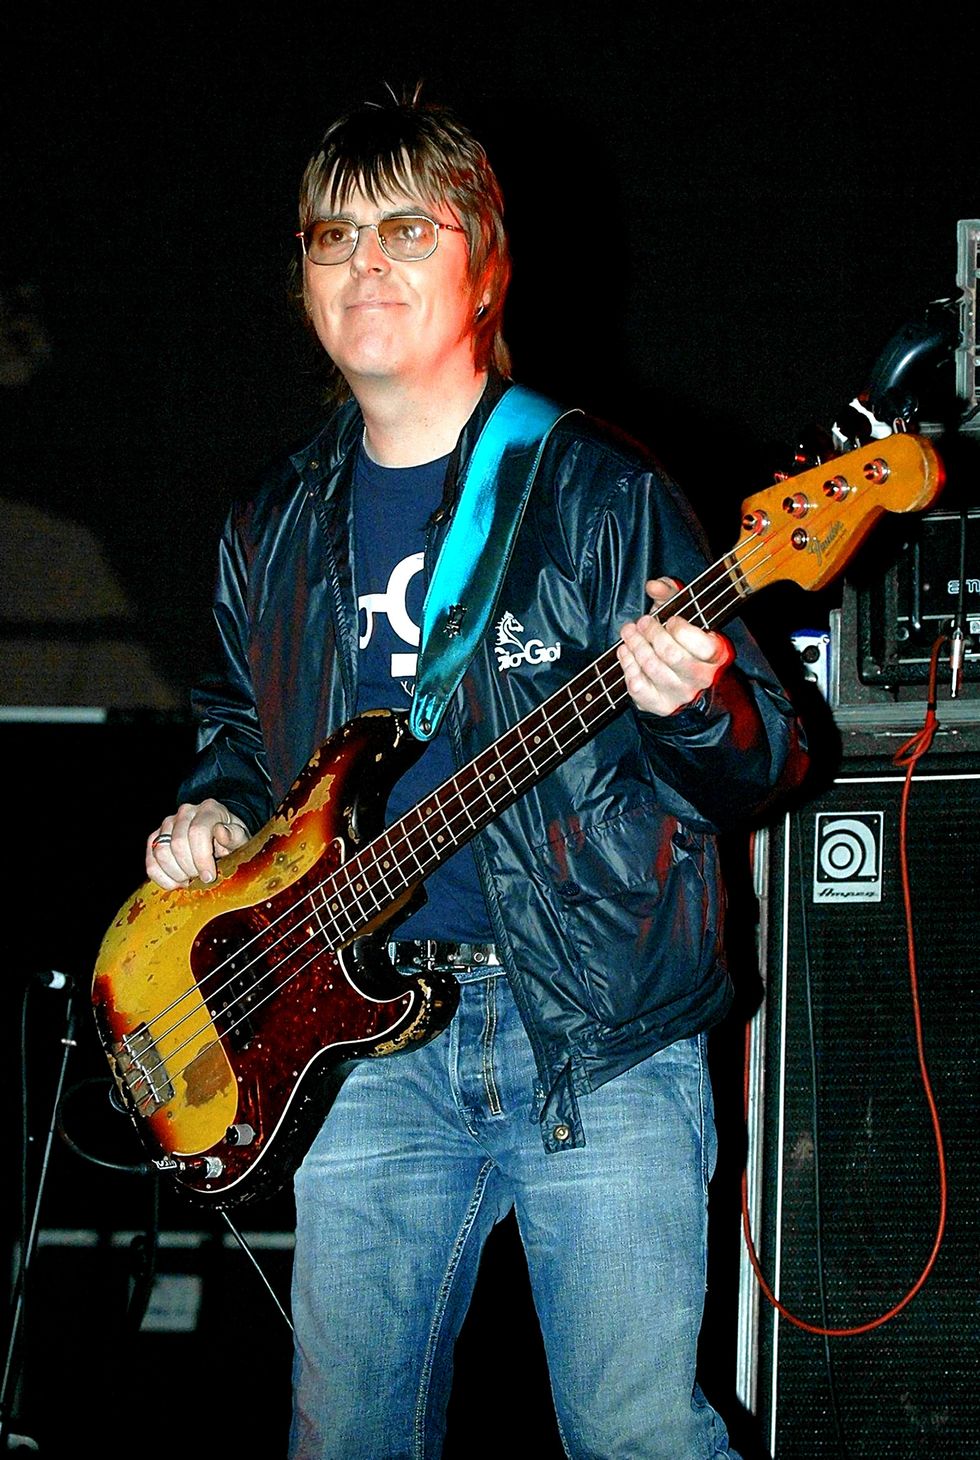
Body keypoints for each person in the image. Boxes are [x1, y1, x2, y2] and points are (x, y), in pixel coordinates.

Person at [144, 89, 807, 1460]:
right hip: (362, 1045)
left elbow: (770, 758)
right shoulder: (270, 522)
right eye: (333, 238)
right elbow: (237, 726)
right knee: (347, 1441)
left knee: (636, 1434)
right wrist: (210, 800)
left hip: (597, 1032)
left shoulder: (596, 491)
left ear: (484, 262)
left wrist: (697, 708)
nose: (364, 263)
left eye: (405, 228)